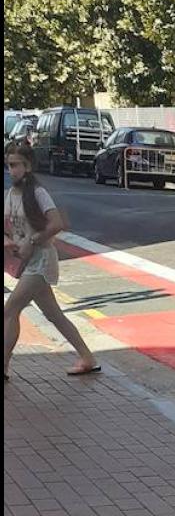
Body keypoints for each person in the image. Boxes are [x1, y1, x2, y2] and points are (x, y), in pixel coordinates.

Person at [3, 142, 99, 380]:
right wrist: (8, 240)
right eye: (8, 165)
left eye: (15, 165)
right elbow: (7, 225)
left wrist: (32, 241)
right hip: (27, 262)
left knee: (10, 309)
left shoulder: (37, 193)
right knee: (54, 315)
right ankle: (87, 357)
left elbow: (56, 224)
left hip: (41, 261)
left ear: (28, 166)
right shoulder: (11, 194)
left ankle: (3, 366)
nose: (11, 170)